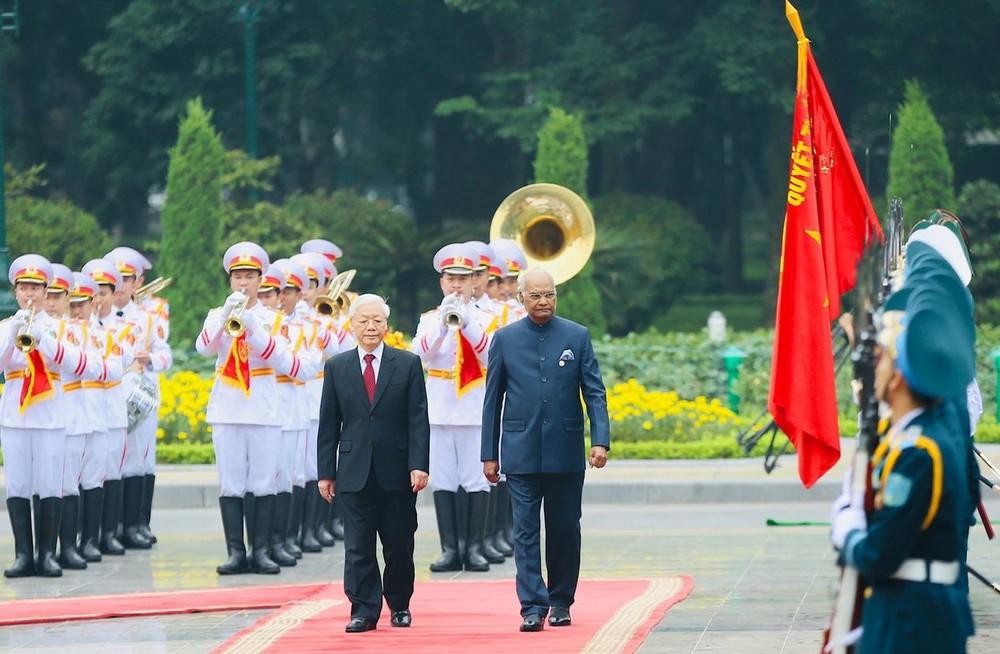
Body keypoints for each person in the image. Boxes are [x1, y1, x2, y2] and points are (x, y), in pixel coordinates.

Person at [830, 241, 978, 653]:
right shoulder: (915, 437)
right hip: (910, 612)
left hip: (913, 621)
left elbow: (879, 554)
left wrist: (848, 531)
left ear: (897, 376)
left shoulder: (918, 453)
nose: (873, 367)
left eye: (880, 360)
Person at [481, 267, 611, 632]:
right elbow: (492, 400)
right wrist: (489, 454)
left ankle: (561, 600)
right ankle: (532, 606)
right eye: (536, 295)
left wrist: (600, 440)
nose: (543, 301)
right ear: (521, 298)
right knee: (524, 531)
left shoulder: (576, 335)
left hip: (565, 450)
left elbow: (594, 392)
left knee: (565, 527)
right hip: (520, 451)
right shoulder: (505, 339)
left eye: (549, 294)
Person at [317, 294, 430, 633]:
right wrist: (325, 473)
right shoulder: (337, 366)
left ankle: (399, 604)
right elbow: (328, 423)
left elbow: (418, 420)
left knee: (399, 544)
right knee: (358, 546)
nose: (370, 326)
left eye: (377, 320)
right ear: (351, 325)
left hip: (397, 471)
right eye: (363, 320)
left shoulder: (407, 363)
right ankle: (363, 609)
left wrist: (419, 464)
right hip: (353, 471)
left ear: (386, 325)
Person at [196, 242, 298, 575]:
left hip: (262, 406)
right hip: (227, 406)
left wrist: (251, 327)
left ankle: (261, 551)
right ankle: (235, 553)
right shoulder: (218, 314)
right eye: (238, 276)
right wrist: (224, 317)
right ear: (230, 280)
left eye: (249, 277)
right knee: (231, 482)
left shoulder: (274, 319)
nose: (243, 283)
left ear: (260, 280)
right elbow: (203, 347)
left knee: (263, 482)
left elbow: (281, 358)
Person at [1, 255, 89, 578]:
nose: (29, 294)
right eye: (24, 288)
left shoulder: (61, 328)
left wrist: (44, 339)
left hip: (50, 412)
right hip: (15, 414)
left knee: (50, 483)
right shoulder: (5, 327)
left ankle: (47, 555)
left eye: (35, 288)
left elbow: (79, 364)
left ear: (44, 291)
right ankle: (23, 555)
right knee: (18, 484)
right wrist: (12, 337)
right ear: (15, 291)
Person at [412, 243, 494, 573]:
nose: (456, 285)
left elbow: (490, 355)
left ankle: (474, 548)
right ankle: (450, 548)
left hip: (474, 408)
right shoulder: (429, 319)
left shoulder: (486, 318)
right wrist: (443, 325)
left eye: (462, 279)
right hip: (440, 408)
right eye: (450, 279)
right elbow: (418, 355)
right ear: (441, 282)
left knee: (476, 479)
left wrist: (467, 323)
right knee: (444, 479)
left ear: (474, 281)